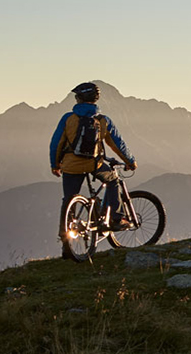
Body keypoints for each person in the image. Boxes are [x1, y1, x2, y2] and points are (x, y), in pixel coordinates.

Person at [50, 82, 137, 258]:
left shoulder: (68, 118)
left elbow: (56, 143)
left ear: (79, 99)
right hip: (94, 164)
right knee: (113, 180)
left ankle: (65, 241)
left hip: (71, 166)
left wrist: (55, 164)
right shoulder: (103, 120)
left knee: (69, 200)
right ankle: (116, 218)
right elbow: (117, 144)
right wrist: (130, 161)